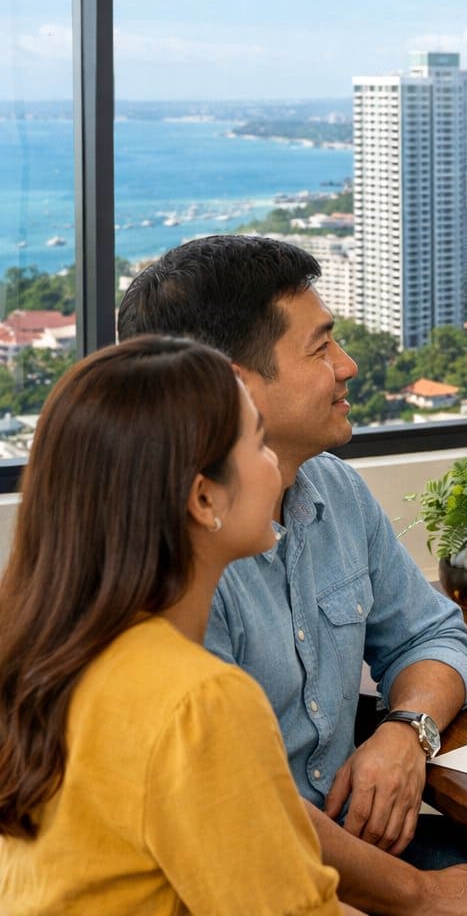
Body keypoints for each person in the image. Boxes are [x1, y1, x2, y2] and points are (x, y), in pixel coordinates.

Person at [118, 238, 467, 915]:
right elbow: (246, 821)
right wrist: (424, 898)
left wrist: (406, 732)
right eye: (320, 350)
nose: (349, 366)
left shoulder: (332, 488)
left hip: (346, 850)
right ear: (233, 385)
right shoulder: (174, 570)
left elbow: (433, 636)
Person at [0, 337, 346, 913]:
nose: (273, 463)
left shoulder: (47, 653)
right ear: (204, 498)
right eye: (259, 443)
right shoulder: (201, 702)